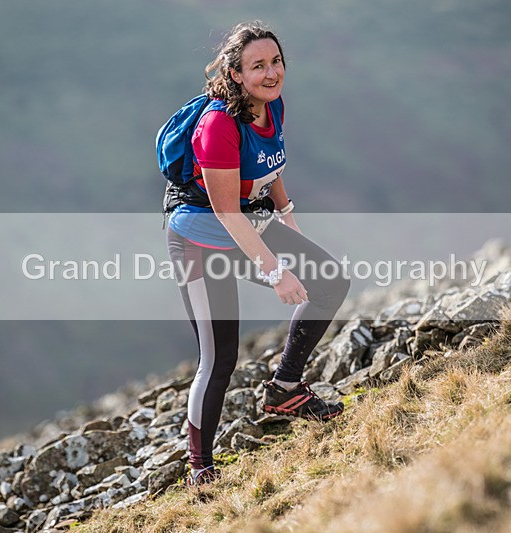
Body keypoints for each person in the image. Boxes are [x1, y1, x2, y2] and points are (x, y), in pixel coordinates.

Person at [165, 21, 350, 486]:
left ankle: (285, 389)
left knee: (330, 282)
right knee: (219, 359)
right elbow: (226, 212)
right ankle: (201, 468)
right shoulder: (218, 126)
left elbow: (271, 165)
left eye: (276, 62)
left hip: (249, 224)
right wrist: (276, 272)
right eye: (257, 66)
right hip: (201, 242)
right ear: (235, 73)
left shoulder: (272, 105)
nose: (271, 73)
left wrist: (288, 217)